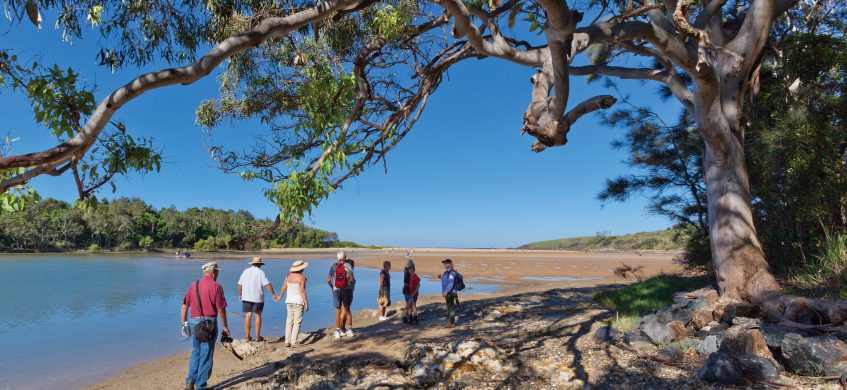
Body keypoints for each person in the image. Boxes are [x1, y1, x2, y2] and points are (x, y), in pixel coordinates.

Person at [180, 262, 230, 390]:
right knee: (206, 354)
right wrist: (225, 327)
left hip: (194, 323)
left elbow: (184, 306)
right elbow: (221, 310)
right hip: (209, 324)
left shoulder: (194, 285)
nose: (218, 273)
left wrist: (183, 324)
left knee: (196, 352)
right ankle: (201, 386)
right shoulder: (216, 286)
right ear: (213, 272)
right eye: (217, 271)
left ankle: (190, 382)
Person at [237, 257, 276, 342]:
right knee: (257, 315)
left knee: (248, 315)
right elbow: (267, 284)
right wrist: (273, 294)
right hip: (258, 297)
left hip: (246, 296)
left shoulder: (245, 271)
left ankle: (247, 336)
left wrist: (240, 294)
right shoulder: (260, 272)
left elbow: (240, 284)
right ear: (260, 264)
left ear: (252, 263)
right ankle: (258, 336)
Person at [274, 260, 309, 347]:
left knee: (289, 321)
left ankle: (287, 341)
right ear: (301, 268)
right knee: (297, 322)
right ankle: (293, 342)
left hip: (289, 301)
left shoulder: (288, 276)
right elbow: (302, 291)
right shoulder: (302, 277)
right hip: (298, 301)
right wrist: (306, 302)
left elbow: (283, 287)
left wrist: (280, 297)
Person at [327, 250, 354, 339]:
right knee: (347, 310)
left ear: (338, 258)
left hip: (336, 290)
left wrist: (332, 287)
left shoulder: (333, 266)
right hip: (346, 290)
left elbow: (328, 280)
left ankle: (337, 331)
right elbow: (351, 279)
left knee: (337, 311)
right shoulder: (348, 266)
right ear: (345, 257)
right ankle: (350, 330)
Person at [440, 258, 459, 327]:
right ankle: (451, 322)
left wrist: (446, 291)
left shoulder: (451, 272)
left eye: (445, 263)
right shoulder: (446, 272)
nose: (444, 265)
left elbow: (451, 283)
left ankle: (452, 323)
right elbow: (446, 280)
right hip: (448, 292)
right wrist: (440, 277)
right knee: (449, 307)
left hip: (450, 293)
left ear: (449, 264)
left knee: (451, 307)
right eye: (444, 263)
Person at [343, 258, 357, 333]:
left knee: (344, 310)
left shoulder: (344, 270)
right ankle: (347, 329)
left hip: (344, 291)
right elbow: (352, 280)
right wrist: (354, 281)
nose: (354, 265)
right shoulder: (350, 271)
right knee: (346, 311)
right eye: (353, 264)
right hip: (348, 292)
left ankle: (342, 328)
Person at [402, 258, 415, 324]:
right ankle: (407, 318)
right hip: (407, 290)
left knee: (408, 304)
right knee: (408, 305)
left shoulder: (406, 271)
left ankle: (406, 318)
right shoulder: (408, 273)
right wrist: (411, 286)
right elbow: (406, 283)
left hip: (406, 290)